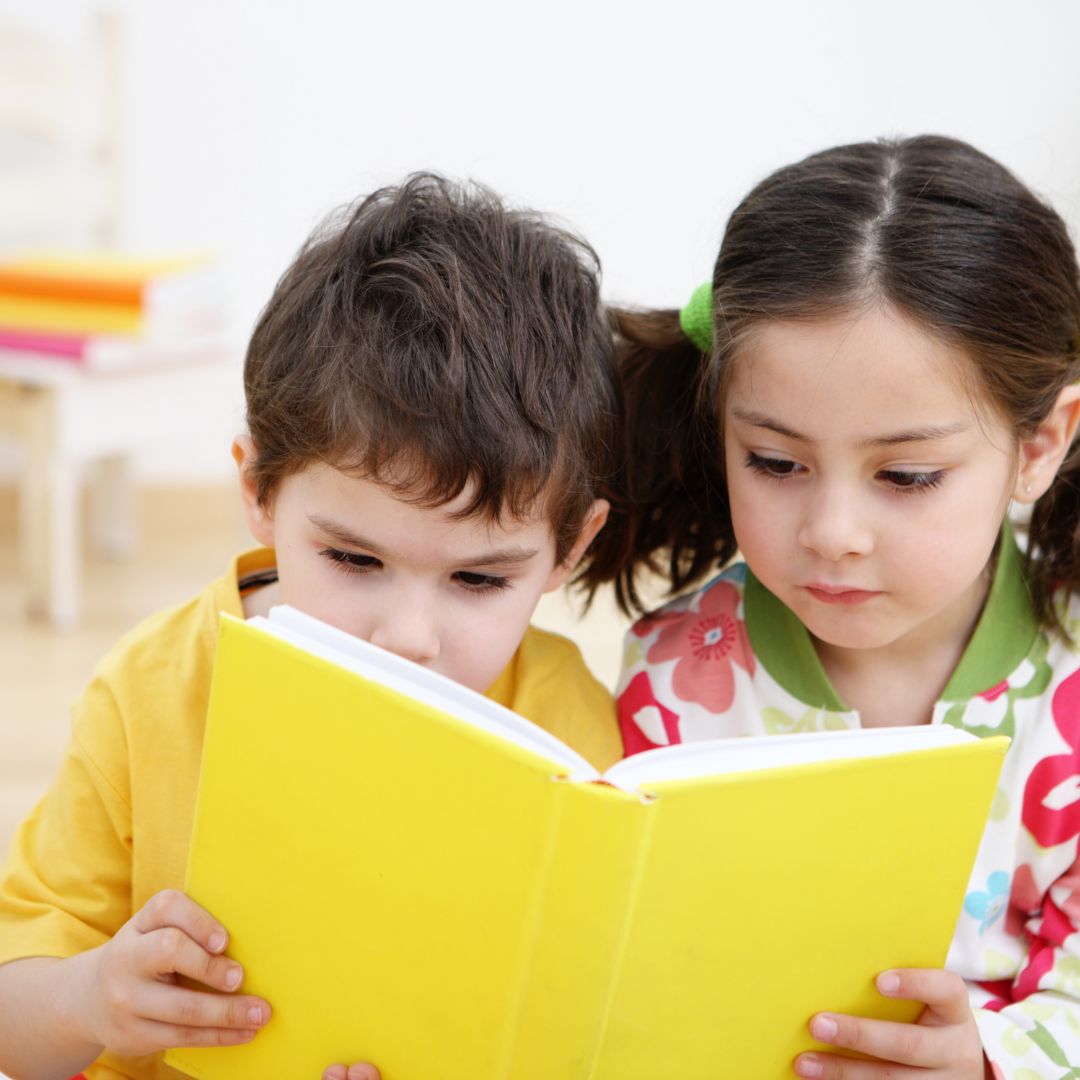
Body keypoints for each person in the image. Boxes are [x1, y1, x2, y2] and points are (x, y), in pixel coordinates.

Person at [0, 174, 622, 1080]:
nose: (408, 638)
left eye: (479, 579)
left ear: (571, 548)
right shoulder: (151, 694)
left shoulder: (565, 720)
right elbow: (15, 1020)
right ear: (258, 491)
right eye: (355, 560)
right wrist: (90, 997)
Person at [578, 135, 1080, 1079]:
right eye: (775, 463)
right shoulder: (675, 679)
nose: (832, 532)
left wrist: (983, 1061)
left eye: (906, 475)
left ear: (1041, 445)